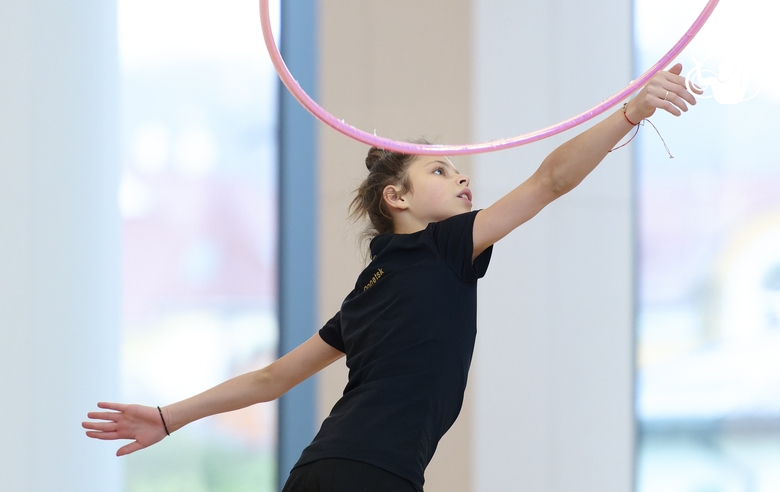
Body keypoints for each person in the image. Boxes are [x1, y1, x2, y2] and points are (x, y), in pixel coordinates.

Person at [84, 63, 701, 492]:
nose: (462, 180)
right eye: (439, 171)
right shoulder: (443, 248)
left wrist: (171, 417)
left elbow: (273, 379)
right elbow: (550, 181)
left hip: (321, 470)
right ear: (396, 198)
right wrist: (630, 110)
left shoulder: (369, 289)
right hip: (369, 476)